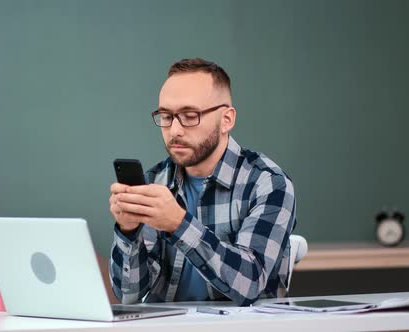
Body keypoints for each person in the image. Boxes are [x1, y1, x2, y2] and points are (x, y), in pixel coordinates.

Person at [109, 58, 297, 306]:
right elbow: (128, 295)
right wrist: (128, 232)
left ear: (227, 119)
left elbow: (249, 283)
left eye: (189, 115)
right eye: (166, 116)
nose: (174, 130)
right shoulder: (154, 183)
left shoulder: (268, 183)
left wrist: (177, 223)